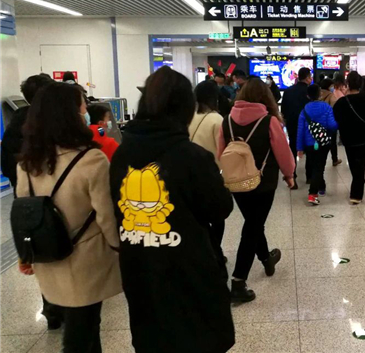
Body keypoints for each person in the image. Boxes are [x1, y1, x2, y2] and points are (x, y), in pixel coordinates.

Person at [110, 67, 235, 353]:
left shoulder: (121, 154)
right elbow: (219, 207)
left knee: (152, 338)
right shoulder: (191, 156)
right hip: (187, 268)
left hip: (138, 266)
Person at [16, 83, 121, 352]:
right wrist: (119, 247)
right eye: (82, 107)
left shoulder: (27, 163)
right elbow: (107, 217)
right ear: (70, 115)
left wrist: (26, 254)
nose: (86, 112)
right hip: (86, 260)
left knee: (82, 327)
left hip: (48, 257)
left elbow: (25, 211)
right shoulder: (91, 160)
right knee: (82, 331)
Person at [217, 77, 295, 303]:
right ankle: (238, 282)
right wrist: (289, 174)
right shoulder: (269, 121)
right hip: (264, 182)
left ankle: (267, 259)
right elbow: (283, 152)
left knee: (253, 222)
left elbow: (221, 154)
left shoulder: (226, 121)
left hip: (236, 182)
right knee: (252, 226)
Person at [189, 80, 227, 266]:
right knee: (218, 219)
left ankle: (204, 252)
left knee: (199, 219)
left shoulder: (189, 117)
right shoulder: (217, 120)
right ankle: (214, 253)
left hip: (189, 174)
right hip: (211, 176)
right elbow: (222, 152)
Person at [333, 71, 365, 205]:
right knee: (361, 164)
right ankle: (356, 193)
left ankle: (358, 184)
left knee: (353, 164)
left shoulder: (342, 102)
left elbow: (336, 118)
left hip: (348, 138)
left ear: (347, 84)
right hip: (363, 138)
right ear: (360, 84)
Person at [1, 74, 52, 195]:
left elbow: (7, 159)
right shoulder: (49, 119)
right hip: (45, 183)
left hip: (22, 185)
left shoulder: (18, 118)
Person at [297, 84, 338, 205]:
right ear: (320, 94)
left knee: (315, 166)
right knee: (319, 167)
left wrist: (299, 148)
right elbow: (332, 125)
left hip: (309, 144)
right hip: (323, 142)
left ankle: (321, 187)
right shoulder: (326, 107)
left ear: (308, 96)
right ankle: (312, 194)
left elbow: (300, 130)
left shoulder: (304, 110)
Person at [281, 67, 312, 189]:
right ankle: (309, 176)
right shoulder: (310, 91)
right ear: (308, 77)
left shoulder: (288, 91)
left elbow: (283, 109)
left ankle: (292, 175)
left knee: (293, 148)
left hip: (292, 123)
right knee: (310, 148)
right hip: (307, 123)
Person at [319, 78, 342, 166]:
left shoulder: (318, 94)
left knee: (320, 140)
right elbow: (335, 108)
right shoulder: (331, 95)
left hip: (319, 122)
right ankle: (334, 159)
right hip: (329, 122)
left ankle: (320, 159)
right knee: (332, 142)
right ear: (329, 86)